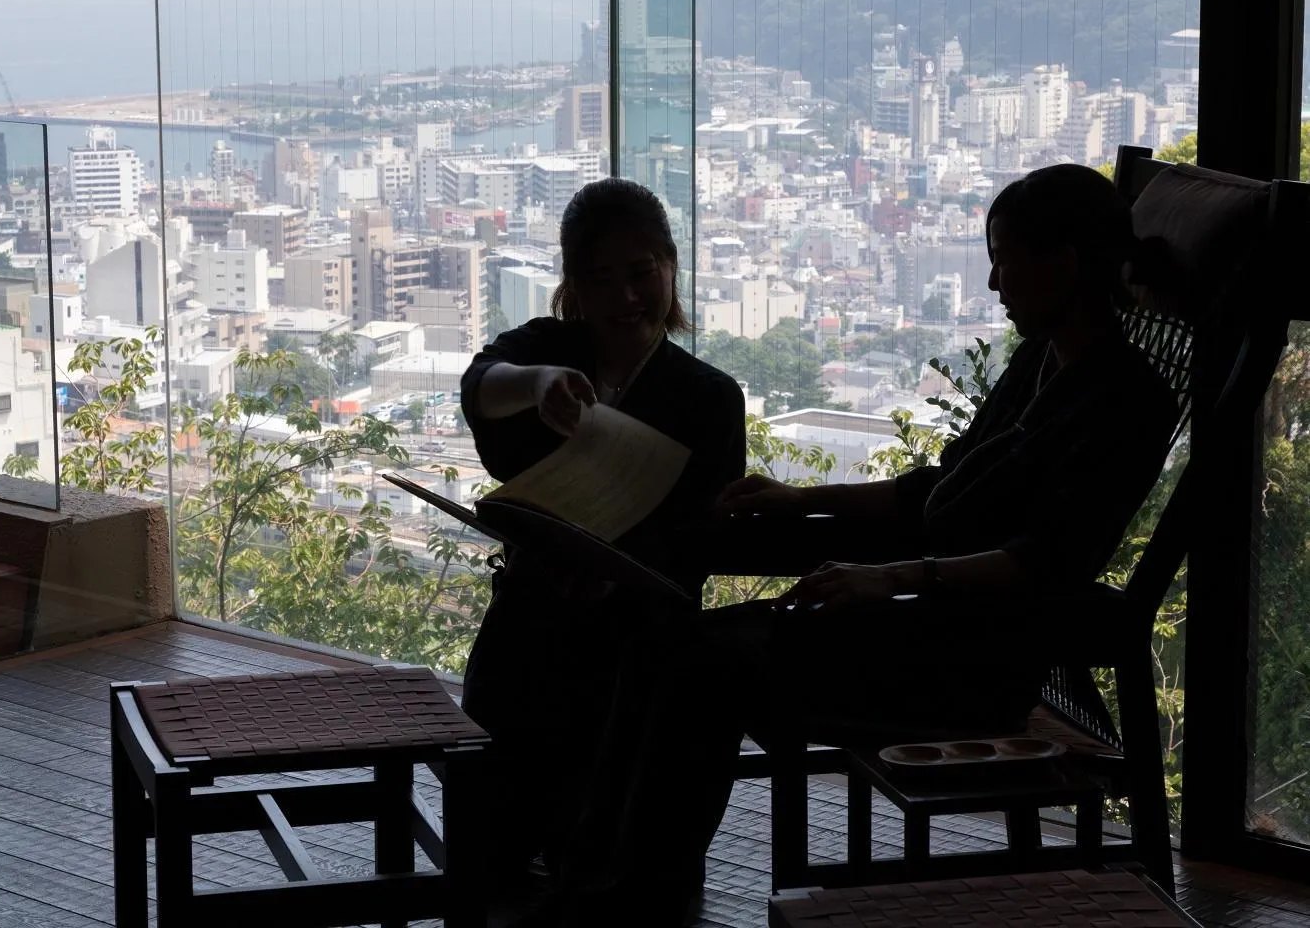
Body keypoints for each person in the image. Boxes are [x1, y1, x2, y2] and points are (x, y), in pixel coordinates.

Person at [540, 163, 1183, 925]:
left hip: (969, 655)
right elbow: (941, 488)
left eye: (1004, 259)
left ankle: (632, 895)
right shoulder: (1044, 362)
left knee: (702, 666)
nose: (992, 283)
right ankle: (600, 877)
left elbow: (1049, 562)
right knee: (664, 644)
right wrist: (802, 500)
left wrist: (893, 578)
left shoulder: (1126, 400)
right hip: (922, 622)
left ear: (1065, 264)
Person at [457, 178, 746, 898]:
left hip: (641, 630)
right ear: (574, 285)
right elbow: (480, 383)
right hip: (535, 612)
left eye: (642, 274)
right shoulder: (554, 353)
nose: (625, 299)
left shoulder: (709, 397)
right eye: (601, 278)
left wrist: (619, 571)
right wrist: (542, 381)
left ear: (671, 268)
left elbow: (698, 537)